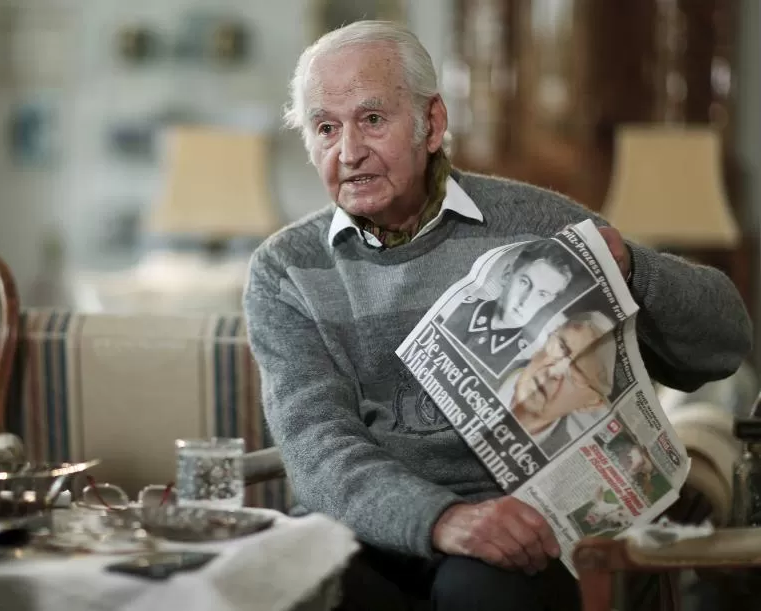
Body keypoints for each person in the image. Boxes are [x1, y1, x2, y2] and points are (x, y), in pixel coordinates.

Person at [243, 20, 752, 611]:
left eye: (373, 119)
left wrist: (637, 268)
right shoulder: (285, 269)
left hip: (519, 536)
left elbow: (724, 344)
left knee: (490, 589)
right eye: (325, 128)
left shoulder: (532, 222)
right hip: (365, 532)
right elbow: (317, 447)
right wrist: (444, 518)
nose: (349, 151)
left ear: (432, 124)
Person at [441, 240, 577, 376]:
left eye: (542, 294)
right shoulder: (455, 308)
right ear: (507, 274)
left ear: (549, 301)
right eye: (524, 282)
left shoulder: (522, 360)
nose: (525, 301)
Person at [501, 311, 617, 458]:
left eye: (578, 373)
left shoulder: (566, 458)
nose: (553, 372)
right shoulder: (484, 358)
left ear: (592, 403)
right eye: (561, 346)